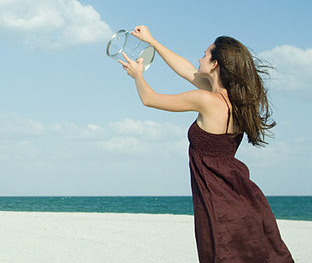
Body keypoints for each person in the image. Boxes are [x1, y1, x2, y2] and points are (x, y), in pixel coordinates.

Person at [118, 25, 293, 263]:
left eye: (205, 54)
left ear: (215, 64)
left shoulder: (205, 100)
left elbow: (149, 99)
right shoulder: (237, 103)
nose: (199, 58)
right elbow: (187, 70)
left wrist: (137, 75)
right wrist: (153, 42)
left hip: (218, 203)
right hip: (243, 199)